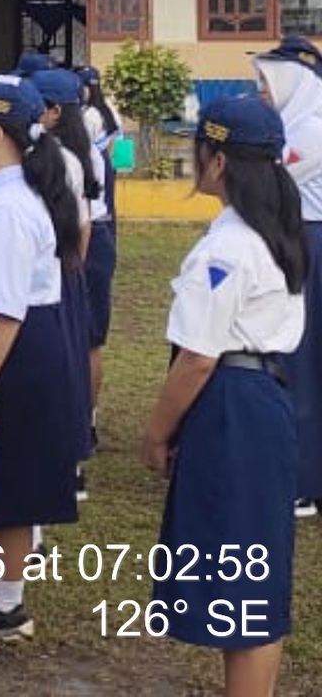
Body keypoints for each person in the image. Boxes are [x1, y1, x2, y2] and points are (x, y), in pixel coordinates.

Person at [144, 97, 306, 697]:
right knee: (254, 577)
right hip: (262, 398)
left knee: (242, 585)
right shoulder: (274, 233)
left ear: (216, 162)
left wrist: (156, 434)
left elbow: (197, 357)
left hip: (231, 405)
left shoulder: (228, 249)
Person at [0, 78, 83, 650]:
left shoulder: (5, 208)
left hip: (11, 352)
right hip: (29, 346)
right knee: (12, 484)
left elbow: (3, 311)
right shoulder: (15, 194)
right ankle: (4, 604)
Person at [252, 35, 322, 518]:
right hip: (300, 239)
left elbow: (269, 183)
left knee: (302, 361)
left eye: (267, 82)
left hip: (310, 242)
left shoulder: (310, 129)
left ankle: (301, 479)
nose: (261, 91)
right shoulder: (296, 125)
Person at [31, 68, 97, 497]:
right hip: (63, 272)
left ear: (54, 112)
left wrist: (68, 272)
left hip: (56, 273)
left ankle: (67, 463)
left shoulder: (57, 158)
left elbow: (81, 227)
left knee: (61, 368)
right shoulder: (68, 155)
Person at [77, 64, 120, 453]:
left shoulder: (82, 131)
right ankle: (86, 420)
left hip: (88, 229)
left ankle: (83, 420)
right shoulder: (107, 116)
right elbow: (121, 159)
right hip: (102, 220)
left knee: (86, 338)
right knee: (89, 339)